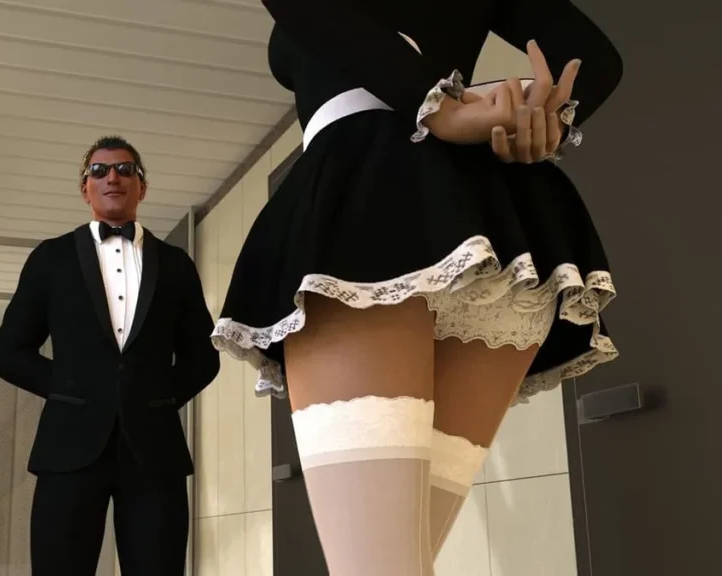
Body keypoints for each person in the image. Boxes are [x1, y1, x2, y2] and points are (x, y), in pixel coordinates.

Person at [211, 1, 623, 574]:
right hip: (493, 227)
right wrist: (528, 118)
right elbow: (594, 58)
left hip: (367, 201)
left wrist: (449, 110)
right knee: (402, 560)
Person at [0, 135, 220, 575]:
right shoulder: (50, 258)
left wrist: (156, 398)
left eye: (125, 169)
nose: (112, 177)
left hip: (155, 451)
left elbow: (203, 357)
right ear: (85, 189)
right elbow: (9, 353)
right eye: (99, 171)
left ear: (142, 187)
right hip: (68, 447)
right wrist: (72, 389)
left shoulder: (176, 263)